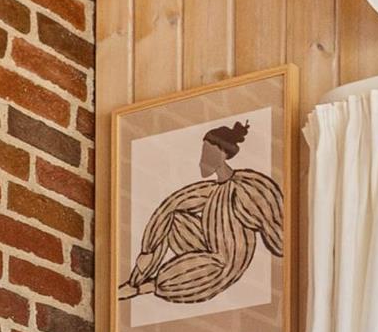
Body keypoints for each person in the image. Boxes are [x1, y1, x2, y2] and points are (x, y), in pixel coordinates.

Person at [121, 120, 286, 310]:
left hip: (222, 266)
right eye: (203, 153)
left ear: (222, 154)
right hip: (208, 250)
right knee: (172, 216)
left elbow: (272, 221)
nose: (202, 160)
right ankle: (135, 282)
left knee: (172, 278)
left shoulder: (245, 188)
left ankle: (146, 287)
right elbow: (171, 205)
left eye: (207, 153)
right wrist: (147, 251)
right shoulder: (211, 190)